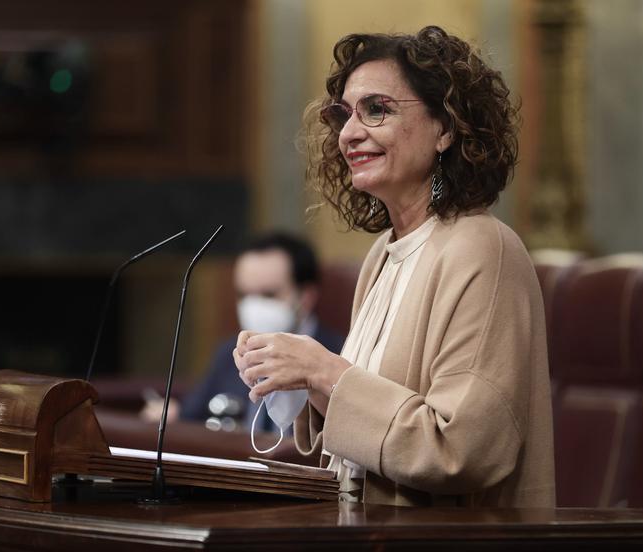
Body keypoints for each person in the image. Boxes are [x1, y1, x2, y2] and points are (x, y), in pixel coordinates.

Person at [234, 26, 554, 507]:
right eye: (344, 114)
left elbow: (460, 450)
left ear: (446, 128)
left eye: (376, 109)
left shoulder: (483, 247)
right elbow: (368, 433)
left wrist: (324, 371)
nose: (348, 134)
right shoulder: (383, 252)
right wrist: (298, 376)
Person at [178, 232, 344, 427]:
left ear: (306, 297)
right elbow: (190, 421)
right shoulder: (229, 354)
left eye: (268, 295)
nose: (253, 306)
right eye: (244, 294)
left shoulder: (340, 354)